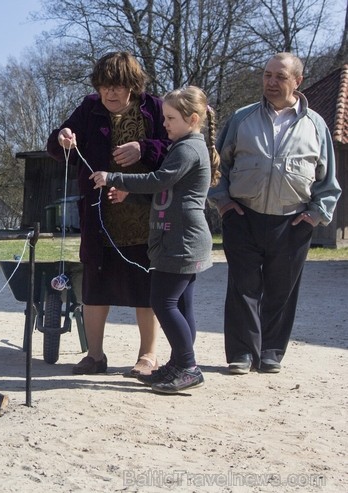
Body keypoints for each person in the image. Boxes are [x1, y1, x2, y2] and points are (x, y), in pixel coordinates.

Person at [208, 52, 341, 374]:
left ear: (298, 82)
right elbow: (217, 169)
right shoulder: (242, 118)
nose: (270, 82)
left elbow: (328, 180)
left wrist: (314, 216)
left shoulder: (316, 125)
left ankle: (270, 352)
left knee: (281, 291)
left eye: (279, 77)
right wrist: (224, 203)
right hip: (244, 216)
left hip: (293, 221)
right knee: (243, 287)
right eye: (267, 75)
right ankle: (240, 354)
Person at [47, 51, 170, 376]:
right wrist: (63, 138)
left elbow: (176, 149)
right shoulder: (90, 107)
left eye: (117, 86)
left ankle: (148, 356)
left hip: (145, 216)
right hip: (100, 218)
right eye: (104, 86)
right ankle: (95, 356)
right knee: (95, 287)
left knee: (146, 288)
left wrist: (144, 148)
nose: (110, 93)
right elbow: (57, 146)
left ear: (132, 85)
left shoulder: (154, 108)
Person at [90, 86, 219, 393]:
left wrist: (114, 177)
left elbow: (159, 181)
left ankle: (187, 367)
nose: (164, 125)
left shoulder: (188, 148)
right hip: (182, 239)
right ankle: (179, 364)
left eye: (171, 119)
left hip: (181, 241)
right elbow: (167, 194)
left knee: (163, 301)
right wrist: (129, 196)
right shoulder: (185, 146)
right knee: (182, 305)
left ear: (192, 119)